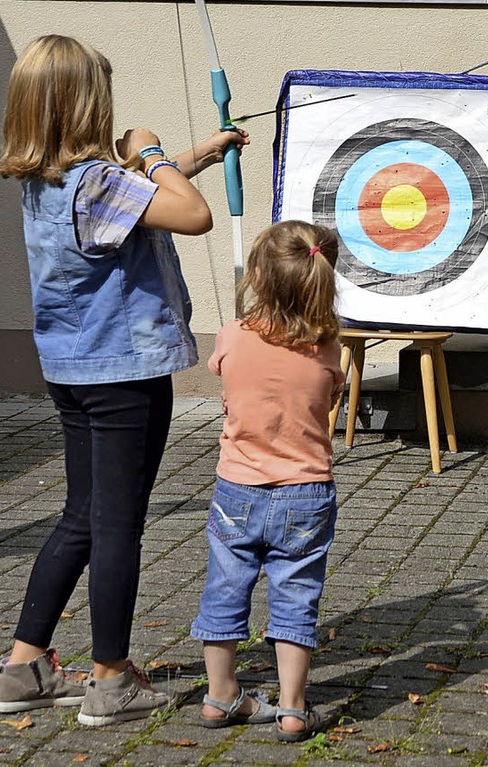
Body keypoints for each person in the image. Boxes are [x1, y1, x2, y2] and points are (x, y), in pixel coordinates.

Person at [0, 33, 249, 727]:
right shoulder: (102, 183)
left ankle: (23, 667)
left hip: (75, 372)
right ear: (81, 106)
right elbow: (190, 213)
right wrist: (159, 153)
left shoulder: (49, 180)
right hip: (123, 377)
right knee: (116, 525)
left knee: (81, 515)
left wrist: (197, 152)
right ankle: (110, 680)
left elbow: (140, 190)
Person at [191, 219, 345, 743]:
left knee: (225, 587)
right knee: (296, 594)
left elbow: (221, 369)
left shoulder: (234, 335)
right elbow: (332, 395)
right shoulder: (328, 347)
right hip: (305, 491)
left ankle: (219, 696)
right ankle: (294, 707)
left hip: (237, 487)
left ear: (258, 275)